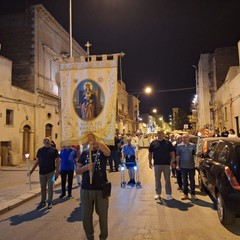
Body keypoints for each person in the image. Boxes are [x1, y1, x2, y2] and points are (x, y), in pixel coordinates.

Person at [76, 134, 110, 240]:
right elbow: (77, 170)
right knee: (86, 216)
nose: (93, 142)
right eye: (91, 140)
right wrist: (86, 168)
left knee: (103, 215)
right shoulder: (84, 153)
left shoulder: (102, 151)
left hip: (101, 189)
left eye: (95, 140)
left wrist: (98, 140)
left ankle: (103, 237)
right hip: (86, 189)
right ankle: (89, 236)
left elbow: (108, 152)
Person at [29, 137, 59, 209]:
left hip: (51, 173)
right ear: (43, 142)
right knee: (43, 188)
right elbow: (37, 161)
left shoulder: (54, 150)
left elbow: (57, 162)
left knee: (50, 187)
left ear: (50, 141)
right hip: (41, 173)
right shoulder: (40, 150)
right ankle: (43, 202)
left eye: (47, 140)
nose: (46, 141)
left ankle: (49, 202)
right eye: (45, 140)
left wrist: (57, 172)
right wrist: (31, 170)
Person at [148, 130, 175, 200]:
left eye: (161, 133)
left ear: (163, 134)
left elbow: (172, 152)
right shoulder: (153, 143)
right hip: (157, 164)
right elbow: (150, 153)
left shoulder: (168, 143)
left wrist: (173, 161)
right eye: (158, 133)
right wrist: (149, 162)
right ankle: (158, 194)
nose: (160, 134)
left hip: (166, 164)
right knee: (157, 180)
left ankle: (168, 194)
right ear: (157, 134)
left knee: (167, 180)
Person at [176, 133, 197, 200]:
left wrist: (197, 154)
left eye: (186, 137)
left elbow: (195, 155)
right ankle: (185, 194)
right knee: (184, 181)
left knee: (192, 181)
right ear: (182, 138)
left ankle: (193, 194)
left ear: (188, 138)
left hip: (191, 166)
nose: (185, 139)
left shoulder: (193, 145)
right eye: (183, 137)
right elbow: (178, 156)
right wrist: (177, 165)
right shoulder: (179, 146)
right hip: (183, 166)